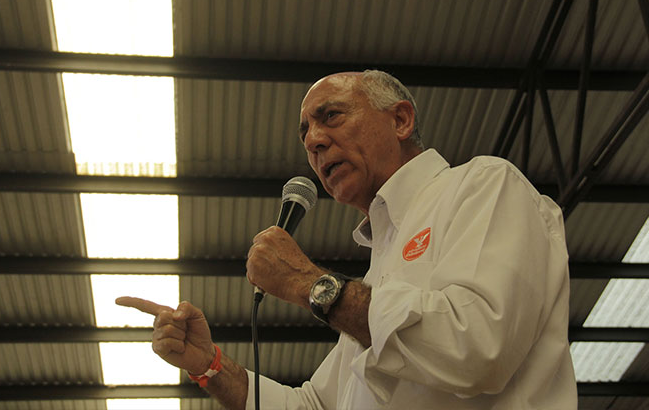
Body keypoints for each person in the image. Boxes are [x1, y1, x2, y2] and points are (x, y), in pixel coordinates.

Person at [117, 70, 577, 409]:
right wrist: (210, 365)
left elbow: (478, 346)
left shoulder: (483, 186)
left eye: (331, 116)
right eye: (305, 134)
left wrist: (308, 283)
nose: (313, 142)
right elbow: (311, 405)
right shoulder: (377, 275)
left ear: (400, 120)